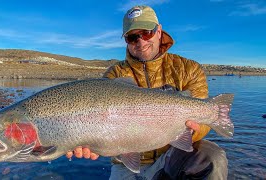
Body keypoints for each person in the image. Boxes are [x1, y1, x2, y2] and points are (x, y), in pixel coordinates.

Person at [66, 5, 228, 180]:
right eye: (132, 37)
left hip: (171, 156)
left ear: (159, 31)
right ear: (126, 40)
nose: (141, 41)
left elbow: (203, 121)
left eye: (146, 33)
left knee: (212, 158)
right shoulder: (114, 75)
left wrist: (191, 131)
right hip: (124, 163)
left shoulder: (188, 69)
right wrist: (87, 141)